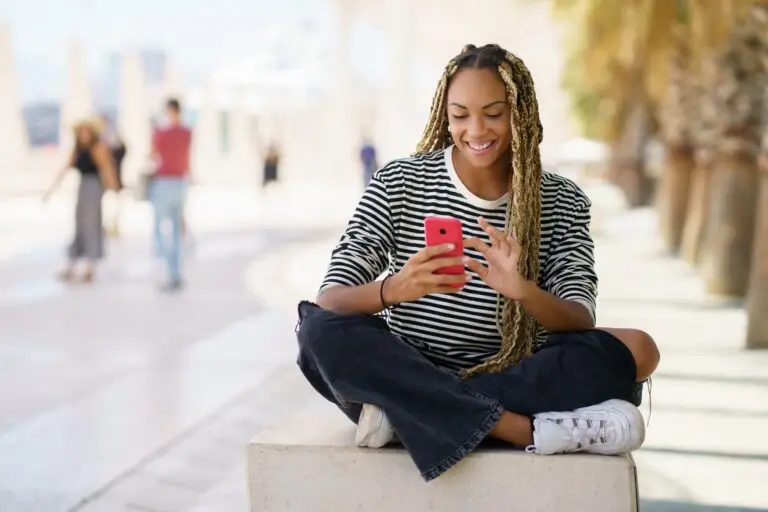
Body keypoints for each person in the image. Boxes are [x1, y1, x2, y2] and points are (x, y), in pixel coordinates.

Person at [296, 44, 660, 482]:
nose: (475, 130)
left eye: (493, 113)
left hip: (515, 372)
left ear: (519, 113)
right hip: (413, 362)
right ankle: (521, 428)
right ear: (444, 115)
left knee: (639, 349)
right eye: (460, 114)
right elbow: (330, 297)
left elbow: (579, 316)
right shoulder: (398, 182)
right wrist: (393, 289)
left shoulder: (561, 200)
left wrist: (522, 290)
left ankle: (406, 415)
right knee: (316, 330)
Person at [43, 118, 120, 282]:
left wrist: (114, 188)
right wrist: (50, 191)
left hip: (94, 187)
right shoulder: (78, 150)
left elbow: (106, 169)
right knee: (79, 225)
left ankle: (89, 267)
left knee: (91, 225)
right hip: (82, 187)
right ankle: (72, 263)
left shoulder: (98, 148)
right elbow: (64, 169)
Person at [150, 98, 192, 291]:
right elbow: (187, 157)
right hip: (181, 182)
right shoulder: (187, 132)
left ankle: (168, 270)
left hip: (165, 181)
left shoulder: (160, 132)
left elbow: (152, 155)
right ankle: (175, 274)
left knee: (159, 231)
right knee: (176, 232)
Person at [99, 113, 127, 238]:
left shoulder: (114, 141)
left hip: (114, 181)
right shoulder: (100, 140)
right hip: (103, 181)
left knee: (114, 205)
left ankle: (114, 226)